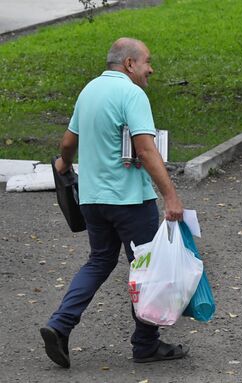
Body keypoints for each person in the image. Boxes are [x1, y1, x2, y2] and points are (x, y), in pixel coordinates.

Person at [40, 37, 188, 368]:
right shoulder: (132, 94)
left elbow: (67, 143)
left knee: (100, 261)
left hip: (92, 200)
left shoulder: (88, 91)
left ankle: (59, 326)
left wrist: (63, 165)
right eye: (147, 61)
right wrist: (171, 195)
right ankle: (146, 344)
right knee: (148, 269)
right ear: (129, 64)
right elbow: (146, 149)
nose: (151, 68)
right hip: (129, 201)